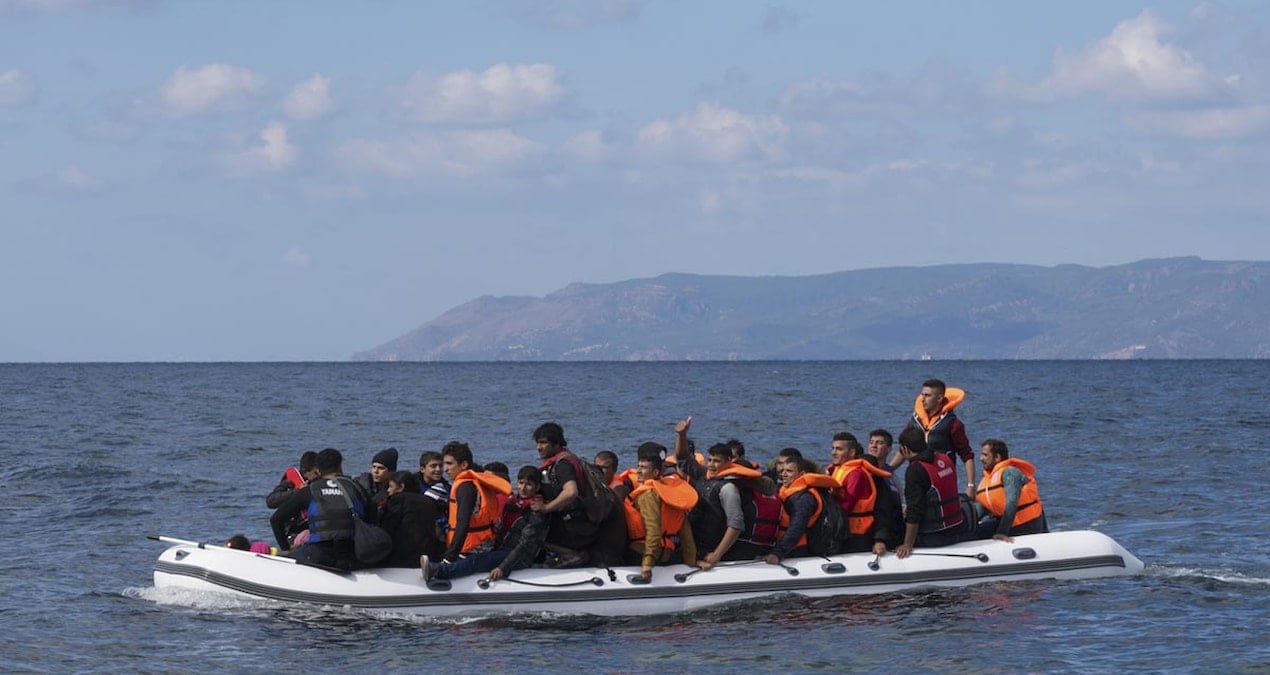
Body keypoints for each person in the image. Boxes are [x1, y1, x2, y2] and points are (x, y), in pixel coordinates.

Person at [423, 465, 550, 582]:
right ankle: (441, 565)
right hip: (503, 550)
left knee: (478, 560)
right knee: (476, 555)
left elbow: (525, 544)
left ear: (537, 487)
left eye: (529, 485)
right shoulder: (512, 504)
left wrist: (503, 568)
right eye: (521, 483)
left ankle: (439, 571)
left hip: (520, 557)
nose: (523, 488)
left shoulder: (536, 513)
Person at [270, 447, 376, 570]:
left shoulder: (310, 490)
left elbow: (276, 519)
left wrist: (286, 549)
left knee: (286, 558)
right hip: (352, 555)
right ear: (340, 467)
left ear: (318, 471)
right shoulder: (357, 488)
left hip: (319, 554)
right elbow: (373, 517)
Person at [691, 443, 781, 568]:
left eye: (716, 461)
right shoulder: (769, 493)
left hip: (737, 547)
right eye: (710, 460)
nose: (711, 464)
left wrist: (716, 555)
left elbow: (736, 524)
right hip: (763, 546)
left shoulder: (730, 489)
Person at [623, 443, 698, 581]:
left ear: (656, 473)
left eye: (643, 467)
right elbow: (686, 536)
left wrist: (647, 564)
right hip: (666, 555)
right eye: (638, 466)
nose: (638, 471)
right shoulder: (672, 493)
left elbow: (653, 530)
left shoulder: (647, 495)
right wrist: (691, 562)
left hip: (641, 553)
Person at [531, 422, 601, 567]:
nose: (538, 447)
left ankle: (573, 554)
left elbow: (571, 492)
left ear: (557, 444)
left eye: (543, 443)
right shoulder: (568, 458)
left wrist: (546, 508)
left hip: (575, 525)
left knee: (530, 532)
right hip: (578, 520)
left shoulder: (562, 465)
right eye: (537, 443)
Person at [891, 379, 976, 498]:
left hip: (942, 476)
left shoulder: (953, 424)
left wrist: (971, 485)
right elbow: (904, 449)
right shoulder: (914, 422)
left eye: (927, 395)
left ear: (939, 398)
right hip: (917, 476)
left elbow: (967, 455)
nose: (923, 399)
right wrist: (889, 469)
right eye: (922, 395)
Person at [894, 427, 966, 559]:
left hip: (934, 534)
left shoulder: (915, 470)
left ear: (905, 449)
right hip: (958, 527)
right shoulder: (945, 458)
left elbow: (915, 510)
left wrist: (907, 545)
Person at [765, 449, 841, 564]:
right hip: (784, 544)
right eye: (783, 470)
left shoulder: (804, 498)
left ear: (801, 474)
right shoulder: (788, 491)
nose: (784, 474)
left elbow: (797, 527)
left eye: (789, 471)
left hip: (797, 549)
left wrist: (778, 553)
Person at [439, 442, 511, 564]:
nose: (445, 469)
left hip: (471, 550)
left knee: (442, 565)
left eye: (449, 464)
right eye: (444, 464)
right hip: (485, 545)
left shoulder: (465, 487)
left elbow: (463, 522)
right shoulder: (475, 483)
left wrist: (450, 556)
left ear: (464, 465)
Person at [827, 432, 898, 554]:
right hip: (844, 530)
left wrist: (880, 539)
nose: (834, 452)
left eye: (839, 449)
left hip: (857, 534)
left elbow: (847, 506)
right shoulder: (838, 470)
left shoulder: (856, 474)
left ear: (852, 453)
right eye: (833, 448)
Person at [973, 438, 1048, 541]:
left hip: (1027, 526)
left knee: (978, 534)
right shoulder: (988, 479)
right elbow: (982, 508)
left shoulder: (1010, 473)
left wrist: (1001, 532)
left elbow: (1011, 503)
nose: (981, 458)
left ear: (997, 457)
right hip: (1008, 523)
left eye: (985, 455)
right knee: (972, 532)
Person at [378, 471, 443, 567]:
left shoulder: (396, 500)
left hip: (402, 556)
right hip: (428, 554)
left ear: (401, 487)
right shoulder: (428, 501)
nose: (388, 490)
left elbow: (388, 528)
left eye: (391, 486)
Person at [265, 450, 319, 548]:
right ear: (305, 471)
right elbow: (271, 501)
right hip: (294, 530)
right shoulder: (290, 482)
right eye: (315, 472)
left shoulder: (319, 483)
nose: (319, 474)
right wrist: (298, 492)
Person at [354, 447, 398, 515]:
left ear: (391, 472)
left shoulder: (396, 489)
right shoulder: (359, 484)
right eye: (374, 467)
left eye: (381, 468)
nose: (375, 471)